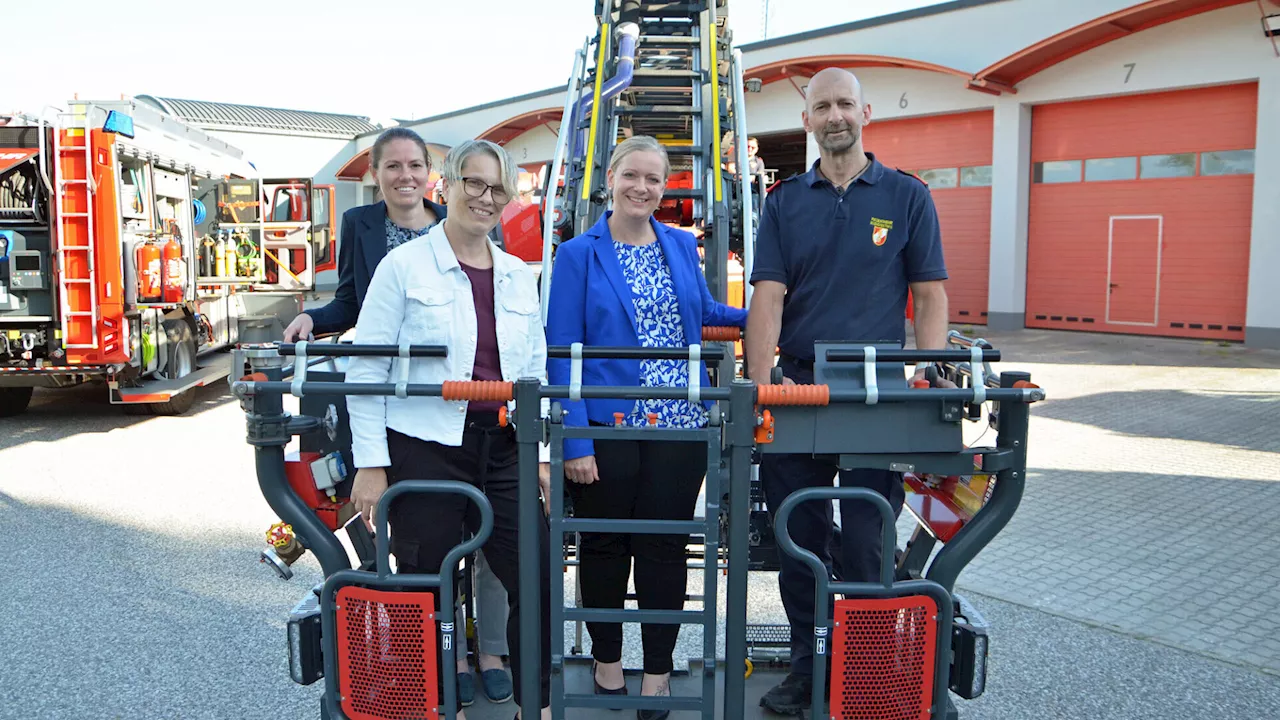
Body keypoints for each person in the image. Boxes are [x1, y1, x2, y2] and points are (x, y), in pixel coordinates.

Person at [744, 67, 952, 716]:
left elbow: (930, 295)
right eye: (821, 106)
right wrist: (758, 385)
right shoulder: (783, 203)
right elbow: (768, 299)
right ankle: (808, 671)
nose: (835, 115)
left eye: (845, 104)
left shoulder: (908, 196)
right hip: (800, 393)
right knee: (798, 537)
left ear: (866, 113)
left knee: (866, 540)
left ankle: (863, 673)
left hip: (876, 398)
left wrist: (932, 370)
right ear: (806, 121)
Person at [281, 128, 513, 706]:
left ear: (435, 175)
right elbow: (355, 303)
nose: (405, 176)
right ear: (377, 174)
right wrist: (315, 317)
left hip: (465, 404)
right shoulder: (362, 226)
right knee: (424, 539)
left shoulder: (469, 214)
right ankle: (446, 657)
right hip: (401, 400)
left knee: (494, 538)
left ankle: (491, 648)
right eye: (393, 167)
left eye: (415, 165)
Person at [345, 139, 553, 720]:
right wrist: (370, 462)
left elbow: (533, 368)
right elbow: (367, 366)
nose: (486, 199)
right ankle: (432, 705)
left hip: (506, 443)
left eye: (498, 190)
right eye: (475, 184)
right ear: (449, 187)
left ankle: (532, 706)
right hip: (426, 444)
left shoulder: (516, 274)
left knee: (534, 577)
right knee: (424, 581)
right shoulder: (403, 266)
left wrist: (538, 452)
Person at [545, 135, 748, 719]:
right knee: (605, 546)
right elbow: (563, 349)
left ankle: (656, 674)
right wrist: (576, 439)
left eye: (654, 179)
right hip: (608, 426)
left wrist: (767, 309)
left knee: (664, 548)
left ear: (665, 187)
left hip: (678, 424)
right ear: (609, 177)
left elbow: (705, 314)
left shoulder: (681, 245)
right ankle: (609, 665)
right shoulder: (579, 254)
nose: (642, 188)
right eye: (631, 175)